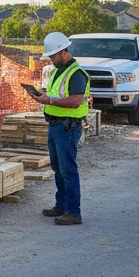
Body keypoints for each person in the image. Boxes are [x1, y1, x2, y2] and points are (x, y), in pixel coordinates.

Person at [28, 31, 90, 225]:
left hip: (67, 127)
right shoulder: (58, 71)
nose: (51, 60)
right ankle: (61, 206)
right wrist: (43, 96)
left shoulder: (76, 73)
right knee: (58, 168)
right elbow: (56, 94)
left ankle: (73, 212)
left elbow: (76, 101)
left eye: (53, 56)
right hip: (56, 125)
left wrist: (50, 100)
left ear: (64, 52)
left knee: (68, 170)